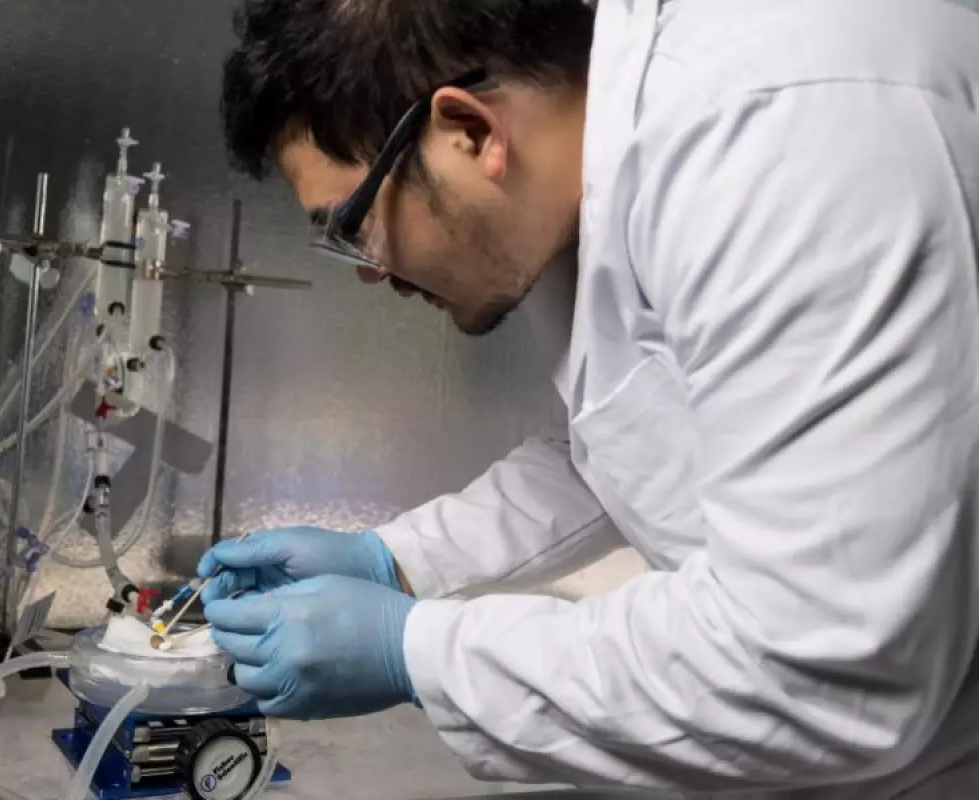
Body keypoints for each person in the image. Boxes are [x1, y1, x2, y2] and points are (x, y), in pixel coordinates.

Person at [197, 0, 979, 796]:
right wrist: (393, 561)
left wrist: (416, 653)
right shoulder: (591, 169)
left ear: (471, 130)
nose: (369, 272)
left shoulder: (775, 134)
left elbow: (822, 663)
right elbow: (632, 443)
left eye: (351, 226)